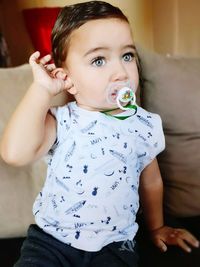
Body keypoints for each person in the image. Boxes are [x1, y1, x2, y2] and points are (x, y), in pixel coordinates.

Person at [0, 1, 199, 267]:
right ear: (66, 75)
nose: (120, 72)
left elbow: (151, 182)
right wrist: (41, 90)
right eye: (98, 60)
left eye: (127, 56)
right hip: (51, 243)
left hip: (115, 245)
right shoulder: (62, 120)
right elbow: (14, 154)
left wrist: (156, 228)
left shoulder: (144, 125)